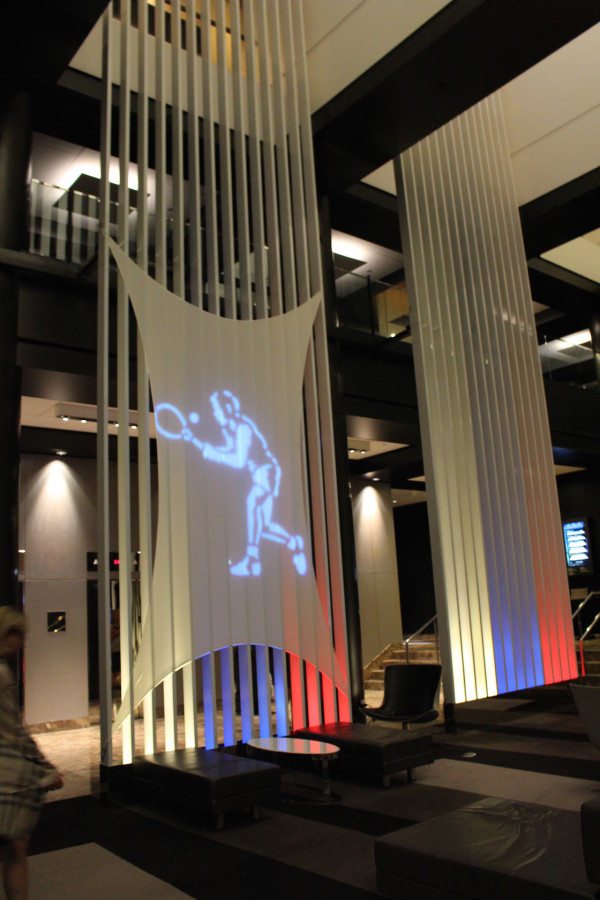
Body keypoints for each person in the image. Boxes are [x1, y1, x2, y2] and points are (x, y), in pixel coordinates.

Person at [199, 390, 307, 577]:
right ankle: (294, 543)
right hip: (260, 473)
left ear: (227, 409)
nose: (215, 414)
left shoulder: (243, 428)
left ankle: (252, 560)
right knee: (263, 528)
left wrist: (212, 454)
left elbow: (239, 461)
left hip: (266, 471)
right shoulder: (230, 430)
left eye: (216, 409)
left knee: (252, 502)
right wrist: (210, 449)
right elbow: (231, 450)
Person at [0, 607, 63, 899]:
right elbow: (12, 731)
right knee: (16, 848)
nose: (22, 642)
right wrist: (44, 768)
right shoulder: (2, 674)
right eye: (18, 635)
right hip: (7, 780)